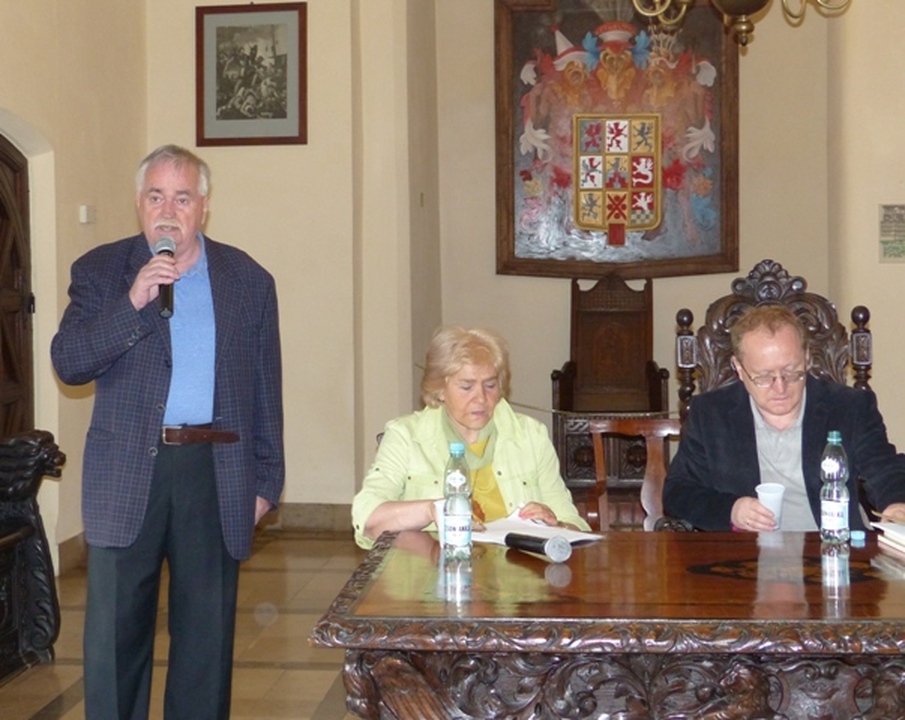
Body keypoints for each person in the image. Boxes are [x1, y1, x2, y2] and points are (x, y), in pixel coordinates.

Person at [51, 145, 284, 719]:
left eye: (182, 198)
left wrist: (266, 482)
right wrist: (134, 302)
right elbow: (69, 362)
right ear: (139, 203)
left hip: (215, 472)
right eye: (156, 196)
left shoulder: (248, 280)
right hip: (127, 472)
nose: (168, 211)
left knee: (206, 641)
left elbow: (265, 387)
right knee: (114, 640)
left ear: (203, 206)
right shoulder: (101, 271)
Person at [663, 305, 905, 532]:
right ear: (739, 368)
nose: (780, 387)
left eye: (791, 372)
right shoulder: (711, 413)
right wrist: (731, 510)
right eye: (764, 377)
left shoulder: (849, 407)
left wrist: (895, 503)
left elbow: (884, 469)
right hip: (746, 554)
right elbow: (677, 491)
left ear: (807, 357)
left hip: (831, 546)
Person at [352, 325, 588, 548]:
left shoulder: (531, 436)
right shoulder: (405, 437)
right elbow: (367, 520)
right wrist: (431, 510)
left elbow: (574, 524)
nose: (481, 398)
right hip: (431, 570)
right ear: (440, 390)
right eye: (466, 387)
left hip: (514, 573)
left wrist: (556, 525)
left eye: (490, 385)